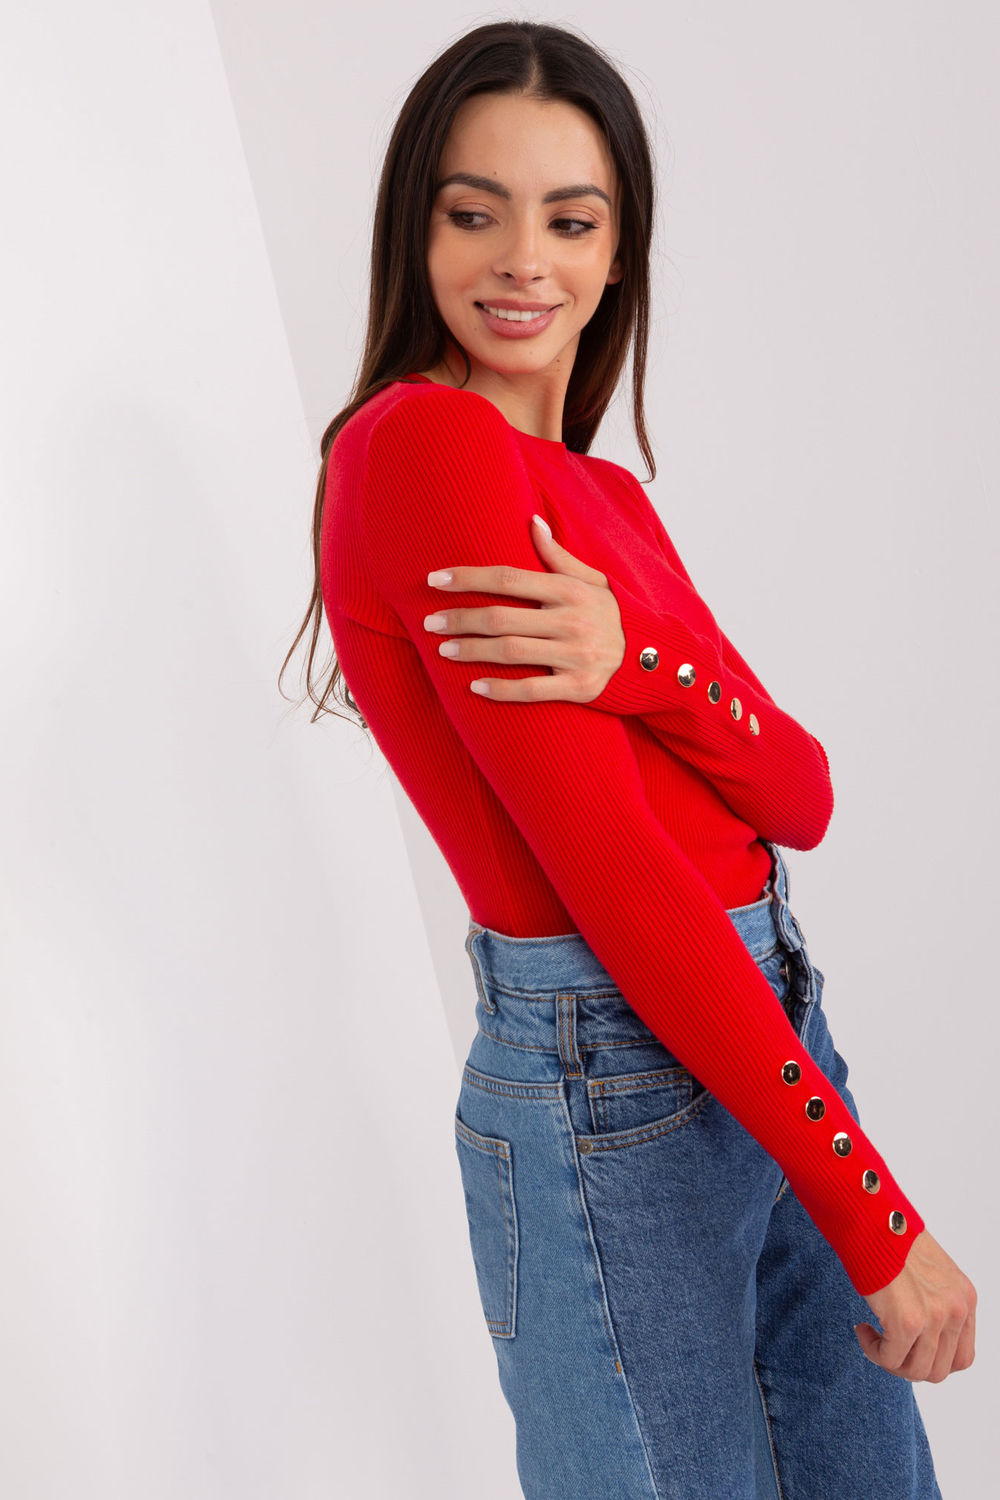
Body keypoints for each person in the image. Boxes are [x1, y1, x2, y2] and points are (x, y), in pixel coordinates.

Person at [280, 19, 975, 1499]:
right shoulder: (423, 448)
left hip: (762, 1023)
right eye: (475, 213)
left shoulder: (604, 498)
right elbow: (615, 875)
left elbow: (801, 793)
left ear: (617, 253)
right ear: (416, 232)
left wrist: (638, 658)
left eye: (570, 220)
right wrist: (873, 1212)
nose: (522, 261)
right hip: (620, 1071)